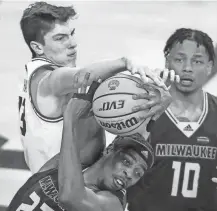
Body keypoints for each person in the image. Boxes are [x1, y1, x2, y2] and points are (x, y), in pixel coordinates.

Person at [19, 1, 172, 173]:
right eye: (60, 38)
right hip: (58, 189)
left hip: (55, 183)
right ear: (37, 47)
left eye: (71, 34)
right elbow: (79, 76)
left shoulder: (33, 72)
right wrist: (125, 63)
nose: (72, 43)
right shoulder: (48, 80)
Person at [8, 74, 161, 211]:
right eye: (127, 162)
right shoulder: (75, 162)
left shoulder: (112, 203)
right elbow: (92, 87)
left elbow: (69, 197)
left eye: (138, 173)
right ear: (109, 150)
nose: (129, 174)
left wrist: (70, 121)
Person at [127, 28, 217, 211]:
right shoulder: (142, 109)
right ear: (167, 62)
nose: (187, 68)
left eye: (197, 61)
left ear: (209, 67)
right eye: (179, 59)